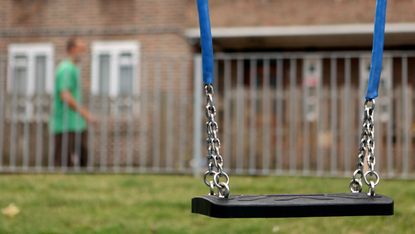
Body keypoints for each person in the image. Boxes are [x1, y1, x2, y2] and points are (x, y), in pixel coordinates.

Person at [50, 37, 96, 168]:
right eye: (82, 49)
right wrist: (85, 113)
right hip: (64, 123)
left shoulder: (73, 69)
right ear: (73, 50)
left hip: (75, 123)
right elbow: (65, 95)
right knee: (63, 163)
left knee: (83, 158)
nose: (84, 53)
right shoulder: (66, 69)